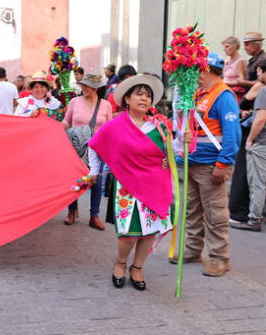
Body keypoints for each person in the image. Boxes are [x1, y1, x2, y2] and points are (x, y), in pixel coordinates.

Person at [89, 74, 176, 290]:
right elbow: (94, 145)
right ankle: (120, 264)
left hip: (156, 186)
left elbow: (173, 154)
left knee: (149, 230)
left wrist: (183, 142)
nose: (144, 99)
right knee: (128, 234)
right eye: (139, 94)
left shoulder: (160, 128)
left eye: (147, 96)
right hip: (127, 188)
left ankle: (137, 267)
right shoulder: (115, 125)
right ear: (127, 99)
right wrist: (94, 170)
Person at [172, 52, 241, 277]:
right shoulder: (198, 93)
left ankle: (220, 258)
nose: (193, 74)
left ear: (206, 70)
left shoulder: (223, 96)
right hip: (191, 162)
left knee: (215, 213)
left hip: (211, 165)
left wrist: (223, 164)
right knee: (192, 210)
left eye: (196, 70)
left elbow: (232, 134)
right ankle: (192, 250)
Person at [62, 74, 113, 230]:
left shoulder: (105, 105)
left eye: (88, 85)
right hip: (76, 147)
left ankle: (94, 216)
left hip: (97, 148)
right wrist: (54, 127)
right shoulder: (74, 102)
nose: (84, 88)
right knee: (74, 179)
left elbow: (110, 128)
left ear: (96, 88)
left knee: (95, 182)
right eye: (83, 85)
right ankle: (71, 212)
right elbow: (67, 121)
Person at [229, 32, 266, 225]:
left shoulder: (261, 85)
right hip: (250, 118)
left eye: (248, 44)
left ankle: (249, 216)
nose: (245, 47)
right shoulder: (251, 62)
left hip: (254, 131)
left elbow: (260, 117)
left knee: (254, 177)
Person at [222, 36, 247, 100]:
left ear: (235, 47)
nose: (224, 49)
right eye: (224, 47)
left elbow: (241, 81)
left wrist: (224, 83)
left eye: (227, 46)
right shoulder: (226, 61)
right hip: (225, 91)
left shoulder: (240, 61)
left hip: (234, 94)